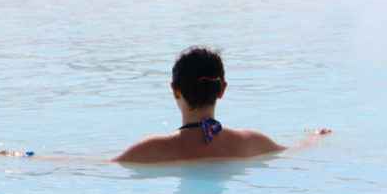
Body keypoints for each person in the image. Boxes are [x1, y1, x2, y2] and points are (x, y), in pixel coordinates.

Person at [114, 47, 330, 163]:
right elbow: (295, 151)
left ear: (175, 90)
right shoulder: (251, 142)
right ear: (222, 89)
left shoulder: (150, 150)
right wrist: (315, 137)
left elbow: (99, 168)